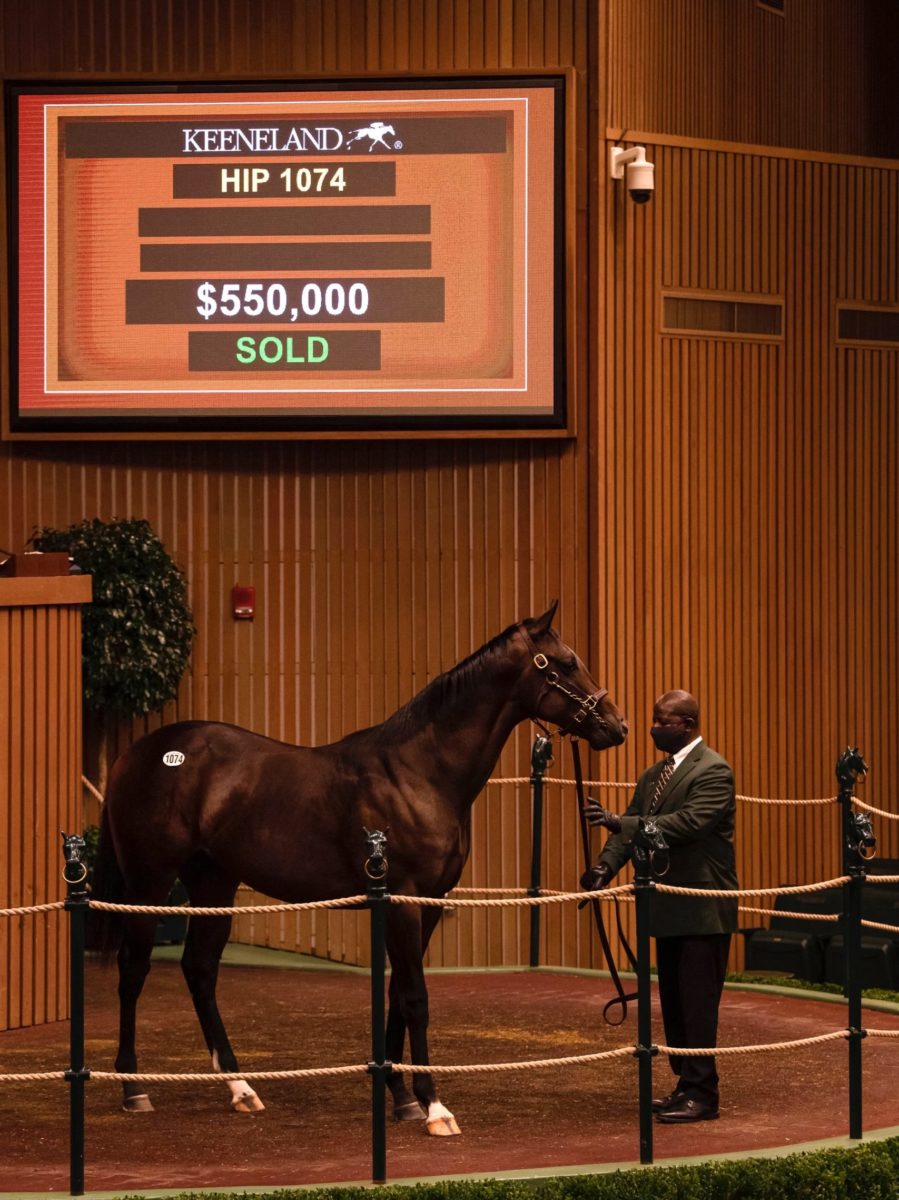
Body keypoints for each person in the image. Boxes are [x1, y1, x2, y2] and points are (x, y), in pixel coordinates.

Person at [580, 689, 738, 1123]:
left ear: (686, 724)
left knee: (698, 1005)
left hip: (702, 908)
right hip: (666, 907)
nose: (653, 728)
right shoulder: (653, 776)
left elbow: (689, 824)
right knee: (674, 1005)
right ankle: (685, 1084)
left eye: (662, 721)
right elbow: (629, 830)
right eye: (654, 719)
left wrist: (622, 822)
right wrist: (603, 870)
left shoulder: (714, 770)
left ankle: (704, 1093)